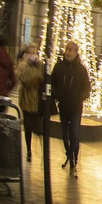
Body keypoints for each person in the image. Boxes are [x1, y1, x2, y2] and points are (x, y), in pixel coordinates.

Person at [51, 41, 90, 175]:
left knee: (74, 134)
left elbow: (87, 88)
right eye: (67, 49)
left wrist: (81, 97)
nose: (68, 52)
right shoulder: (59, 66)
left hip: (76, 107)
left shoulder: (81, 70)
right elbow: (53, 82)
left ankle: (74, 158)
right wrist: (56, 95)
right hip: (63, 106)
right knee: (64, 134)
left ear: (76, 52)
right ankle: (69, 154)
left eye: (71, 50)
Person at [15, 44, 45, 161]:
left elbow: (43, 78)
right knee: (28, 127)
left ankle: (42, 150)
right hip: (27, 100)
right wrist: (35, 79)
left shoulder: (41, 65)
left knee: (38, 127)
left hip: (37, 101)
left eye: (35, 52)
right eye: (31, 53)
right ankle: (28, 151)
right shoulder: (23, 66)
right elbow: (25, 78)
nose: (33, 55)